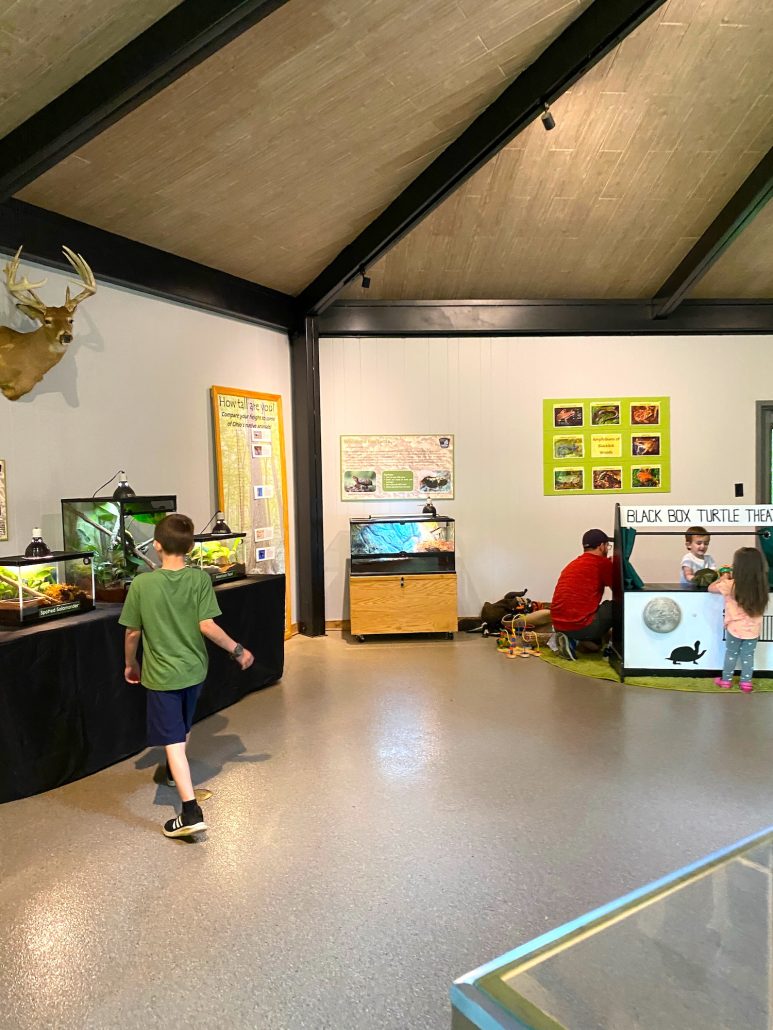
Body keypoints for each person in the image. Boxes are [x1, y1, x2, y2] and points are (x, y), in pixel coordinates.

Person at [119, 513, 254, 838]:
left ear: (156, 545)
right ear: (191, 547)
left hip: (162, 676)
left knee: (174, 741)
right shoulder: (199, 580)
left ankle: (190, 812)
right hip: (194, 671)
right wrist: (238, 650)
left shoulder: (142, 584)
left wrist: (130, 664)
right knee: (182, 727)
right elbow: (206, 625)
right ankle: (172, 776)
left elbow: (132, 634)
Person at [708, 547, 768, 692]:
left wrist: (723, 576)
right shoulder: (761, 586)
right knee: (748, 656)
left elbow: (710, 588)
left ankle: (726, 680)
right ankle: (746, 682)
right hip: (753, 628)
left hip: (734, 628)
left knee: (731, 653)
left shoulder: (730, 585)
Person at [551, 529, 613, 661]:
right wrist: (614, 566)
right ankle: (614, 648)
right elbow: (619, 591)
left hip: (558, 624)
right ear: (602, 546)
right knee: (614, 606)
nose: (607, 549)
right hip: (581, 626)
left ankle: (571, 640)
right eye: (607, 546)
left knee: (594, 646)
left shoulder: (573, 564)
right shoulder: (602, 563)